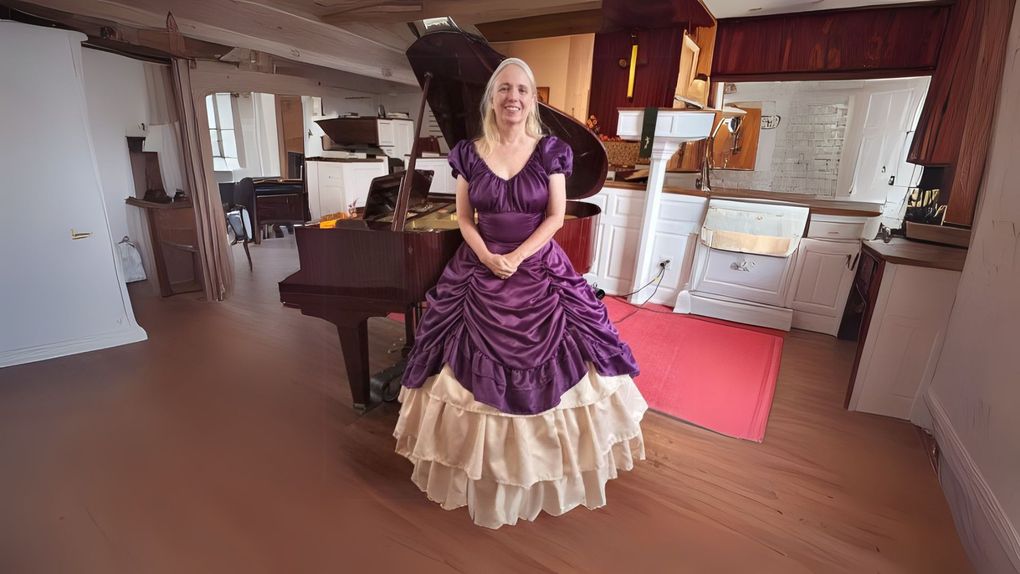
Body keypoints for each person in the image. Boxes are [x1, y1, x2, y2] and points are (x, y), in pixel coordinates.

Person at [393, 57, 646, 529]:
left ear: (533, 99)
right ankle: (482, 476)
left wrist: (518, 256)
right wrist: (488, 257)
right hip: (478, 266)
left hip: (537, 265)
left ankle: (545, 472)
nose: (513, 96)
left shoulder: (550, 150)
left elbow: (555, 216)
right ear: (493, 96)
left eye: (523, 90)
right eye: (505, 88)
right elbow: (464, 218)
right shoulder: (469, 152)